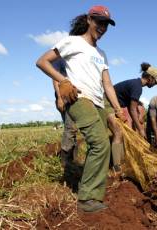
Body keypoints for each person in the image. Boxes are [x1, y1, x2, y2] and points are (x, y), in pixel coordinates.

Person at [36, 5, 126, 213]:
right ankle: (87, 199)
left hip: (96, 101)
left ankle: (94, 190)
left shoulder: (101, 53)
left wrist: (118, 108)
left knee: (106, 140)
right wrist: (63, 81)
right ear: (88, 20)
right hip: (78, 98)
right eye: (98, 22)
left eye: (105, 24)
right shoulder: (73, 42)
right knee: (100, 143)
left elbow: (108, 85)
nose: (102, 27)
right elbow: (42, 62)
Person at [114, 62, 157, 138]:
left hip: (115, 105)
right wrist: (141, 130)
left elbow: (132, 106)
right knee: (119, 135)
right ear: (150, 78)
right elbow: (132, 110)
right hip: (107, 103)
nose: (155, 84)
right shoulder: (137, 87)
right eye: (155, 82)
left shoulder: (136, 84)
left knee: (139, 105)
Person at [51, 58, 78, 168]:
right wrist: (60, 98)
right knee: (70, 127)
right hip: (65, 96)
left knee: (73, 129)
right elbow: (55, 79)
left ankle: (73, 159)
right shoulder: (60, 59)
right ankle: (65, 162)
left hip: (75, 96)